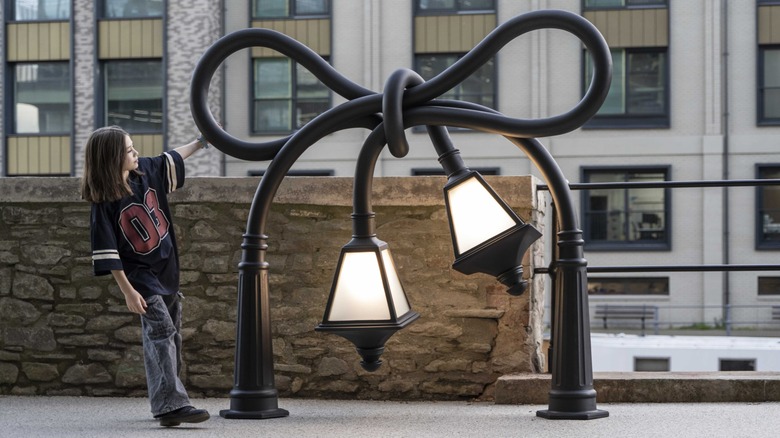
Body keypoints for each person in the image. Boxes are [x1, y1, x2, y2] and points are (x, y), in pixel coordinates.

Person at [81, 126, 209, 427]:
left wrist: (203, 142)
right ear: (112, 158)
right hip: (140, 277)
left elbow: (173, 157)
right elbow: (108, 252)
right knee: (161, 332)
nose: (135, 153)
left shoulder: (147, 172)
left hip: (166, 269)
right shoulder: (104, 203)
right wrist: (127, 291)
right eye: (128, 150)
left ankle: (165, 404)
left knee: (170, 336)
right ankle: (173, 405)